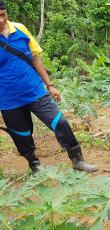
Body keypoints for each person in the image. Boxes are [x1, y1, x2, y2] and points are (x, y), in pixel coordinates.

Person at [0, 0, 97, 173]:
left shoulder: (20, 29)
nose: (0, 20)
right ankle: (34, 164)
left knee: (60, 122)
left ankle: (77, 159)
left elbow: (36, 58)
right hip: (8, 99)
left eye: (2, 15)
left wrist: (50, 85)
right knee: (22, 135)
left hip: (35, 92)